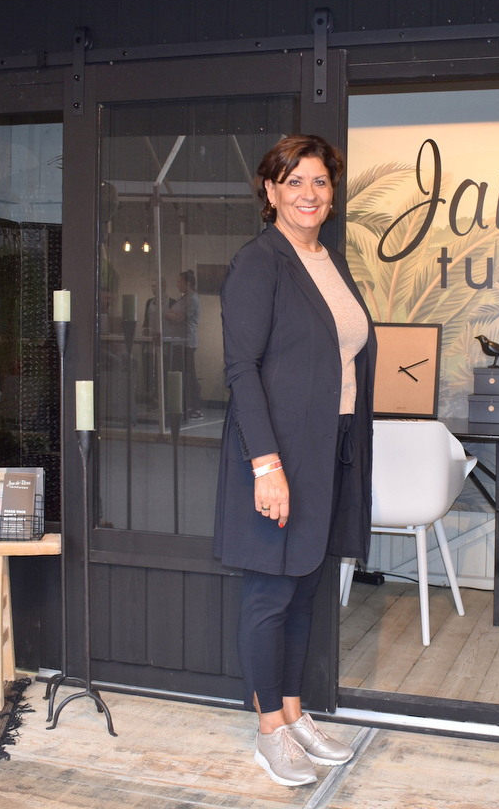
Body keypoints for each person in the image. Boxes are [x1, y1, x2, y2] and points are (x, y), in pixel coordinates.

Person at [213, 135, 375, 787]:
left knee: (305, 587)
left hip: (328, 447)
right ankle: (268, 732)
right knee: (270, 593)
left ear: (332, 195)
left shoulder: (327, 260)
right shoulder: (260, 263)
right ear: (271, 191)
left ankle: (293, 711)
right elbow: (241, 369)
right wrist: (266, 465)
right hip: (278, 456)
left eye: (320, 182)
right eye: (295, 181)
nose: (309, 193)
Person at [165, 269, 203, 418]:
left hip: (187, 343)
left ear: (188, 283)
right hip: (178, 342)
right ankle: (185, 404)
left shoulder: (192, 300)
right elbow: (171, 312)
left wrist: (170, 315)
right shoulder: (183, 299)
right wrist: (171, 314)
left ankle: (196, 407)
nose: (177, 285)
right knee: (180, 374)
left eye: (180, 282)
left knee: (189, 374)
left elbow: (178, 317)